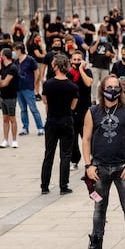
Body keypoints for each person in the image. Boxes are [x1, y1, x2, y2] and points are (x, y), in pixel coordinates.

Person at [81, 75, 125, 249]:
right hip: (99, 169)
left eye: (116, 87)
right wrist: (88, 166)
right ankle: (95, 245)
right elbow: (85, 140)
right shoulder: (92, 112)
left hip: (122, 167)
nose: (113, 90)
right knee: (99, 208)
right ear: (102, 89)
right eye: (109, 86)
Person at [40, 54, 79, 195]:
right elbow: (73, 106)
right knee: (66, 155)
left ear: (56, 67)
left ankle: (44, 186)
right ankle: (63, 185)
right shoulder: (72, 86)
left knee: (49, 154)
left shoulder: (48, 84)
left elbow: (45, 101)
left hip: (52, 121)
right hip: (66, 121)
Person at [67, 50, 93, 171]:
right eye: (75, 59)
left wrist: (81, 69)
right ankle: (74, 160)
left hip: (85, 110)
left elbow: (88, 83)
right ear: (71, 60)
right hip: (72, 110)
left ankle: (91, 158)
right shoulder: (68, 74)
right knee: (73, 137)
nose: (77, 62)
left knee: (86, 136)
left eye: (79, 59)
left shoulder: (87, 72)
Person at [12, 42, 44, 136]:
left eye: (14, 50)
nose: (13, 52)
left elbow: (36, 72)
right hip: (19, 88)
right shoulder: (16, 62)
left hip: (28, 88)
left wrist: (34, 84)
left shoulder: (30, 59)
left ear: (19, 50)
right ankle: (25, 127)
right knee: (23, 109)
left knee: (33, 108)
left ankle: (40, 127)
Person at [0, 48, 20, 148]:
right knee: (5, 119)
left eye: (1, 54)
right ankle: (5, 139)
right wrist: (0, 82)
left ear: (4, 56)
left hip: (11, 96)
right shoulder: (3, 68)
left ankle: (14, 140)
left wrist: (0, 82)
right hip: (3, 96)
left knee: (12, 118)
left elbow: (4, 83)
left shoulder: (12, 68)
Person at [89, 28, 115, 104]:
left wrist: (110, 54)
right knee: (94, 84)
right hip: (95, 66)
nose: (102, 36)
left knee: (104, 84)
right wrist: (97, 42)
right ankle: (93, 99)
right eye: (101, 35)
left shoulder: (108, 44)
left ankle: (104, 98)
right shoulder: (94, 43)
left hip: (105, 66)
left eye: (104, 35)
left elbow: (113, 55)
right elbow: (91, 51)